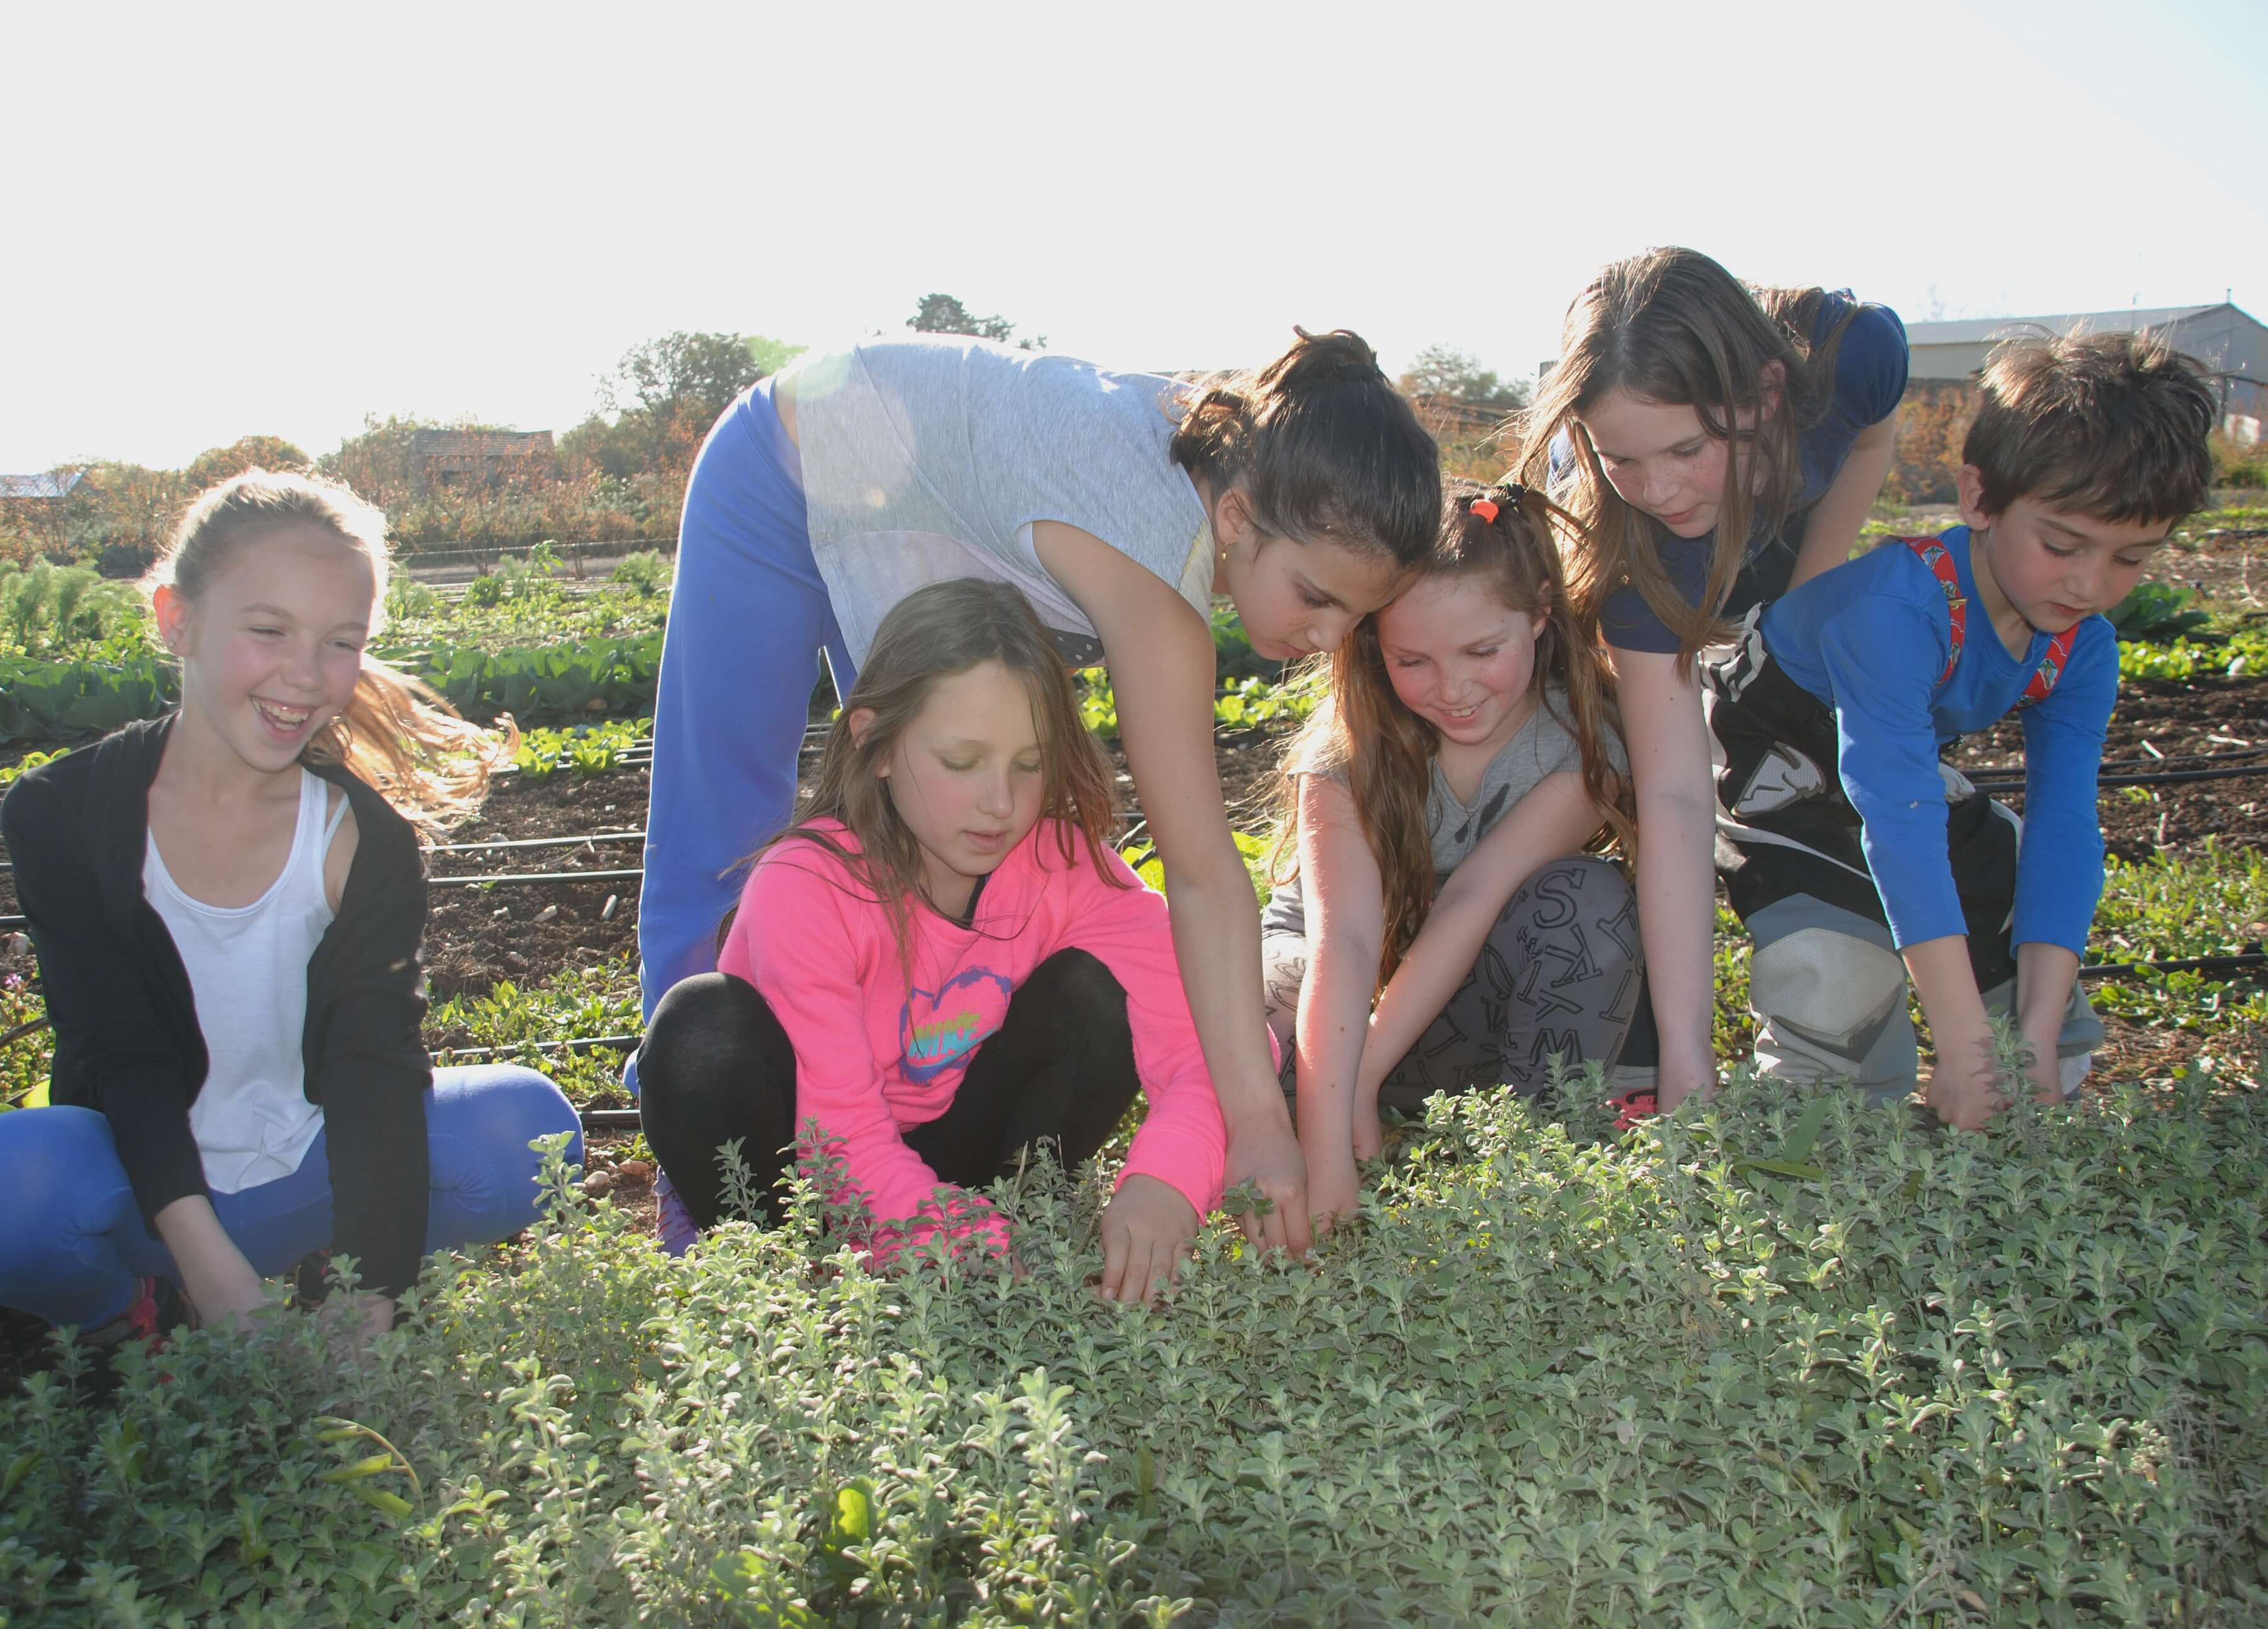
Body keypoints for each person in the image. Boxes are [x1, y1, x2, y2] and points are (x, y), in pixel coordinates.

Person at [634, 328, 1441, 1254]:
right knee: (727, 855)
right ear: (1237, 519)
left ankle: (900, 1192)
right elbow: (1204, 874)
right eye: (1315, 596)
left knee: (931, 852)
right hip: (791, 463)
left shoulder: (1229, 466)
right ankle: (696, 1197)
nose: (1333, 635)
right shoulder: (1150, 561)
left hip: (912, 506)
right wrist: (1258, 1122)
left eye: (1355, 613)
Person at [0, 471, 583, 1346]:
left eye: (341, 642)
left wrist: (370, 1292)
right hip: (144, 1191)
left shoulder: (361, 837)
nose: (305, 677)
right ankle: (129, 1313)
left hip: (312, 1174)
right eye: (268, 630)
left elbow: (374, 1065)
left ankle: (324, 1271)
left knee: (526, 1131)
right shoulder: (61, 814)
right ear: (176, 618)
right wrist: (210, 1266)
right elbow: (122, 1052)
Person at [635, 578, 1229, 1304]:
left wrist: (1165, 1181)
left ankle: (1012, 1233)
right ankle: (777, 1281)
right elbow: (841, 1141)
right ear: (874, 743)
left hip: (961, 1164)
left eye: (1029, 763)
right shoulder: (806, 888)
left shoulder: (1062, 869)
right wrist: (957, 1243)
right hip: (805, 1167)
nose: (1001, 803)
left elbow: (1217, 1037)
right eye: (960, 762)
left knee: (1099, 994)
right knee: (699, 1031)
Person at [1702, 331, 2218, 1126]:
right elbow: (1897, 821)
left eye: (2131, 559)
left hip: (1889, 769)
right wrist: (1963, 1046)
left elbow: (2065, 824)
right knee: (1838, 998)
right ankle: (1820, 1146)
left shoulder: (2082, 649)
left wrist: (2032, 1035)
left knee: (2037, 994)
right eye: (2062, 544)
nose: (2089, 585)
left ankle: (2006, 1089)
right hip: (1774, 767)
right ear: (1978, 498)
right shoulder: (1894, 612)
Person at [1516, 246, 1910, 1112]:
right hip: (1616, 583)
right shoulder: (1638, 546)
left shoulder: (1856, 358)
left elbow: (1874, 430)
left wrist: (1807, 601)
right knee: (1610, 773)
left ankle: (1839, 1032)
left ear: (1769, 392)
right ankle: (1638, 1054)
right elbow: (1678, 802)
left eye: (1686, 447)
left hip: (1767, 541)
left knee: (1795, 751)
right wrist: (1692, 1053)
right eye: (1624, 455)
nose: (1657, 486)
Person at [1260, 480, 1649, 1219]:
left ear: (1538, 613)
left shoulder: (1582, 744)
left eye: (1480, 650)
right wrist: (1330, 1129)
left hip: (1462, 1017)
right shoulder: (1345, 753)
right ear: (1373, 646)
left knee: (1588, 901)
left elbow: (1475, 898)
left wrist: (1365, 1076)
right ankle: (1304, 1135)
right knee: (1260, 993)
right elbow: (1341, 942)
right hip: (1340, 1000)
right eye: (1413, 662)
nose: (1454, 688)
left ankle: (1532, 1173)